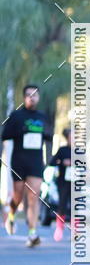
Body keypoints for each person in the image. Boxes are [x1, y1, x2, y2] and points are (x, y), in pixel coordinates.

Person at [2, 84, 53, 247]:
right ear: (24, 97)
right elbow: (5, 135)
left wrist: (44, 133)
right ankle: (11, 214)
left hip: (36, 162)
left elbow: (50, 136)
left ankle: (32, 234)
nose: (32, 98)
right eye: (29, 95)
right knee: (18, 196)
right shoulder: (16, 115)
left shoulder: (42, 117)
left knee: (33, 197)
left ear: (39, 98)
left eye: (35, 95)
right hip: (19, 161)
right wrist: (21, 131)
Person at [49, 128, 72, 242]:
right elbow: (52, 162)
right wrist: (63, 162)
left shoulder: (80, 151)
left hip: (76, 183)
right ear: (67, 138)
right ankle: (59, 229)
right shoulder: (62, 150)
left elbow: (85, 167)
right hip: (63, 182)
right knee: (62, 205)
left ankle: (76, 230)